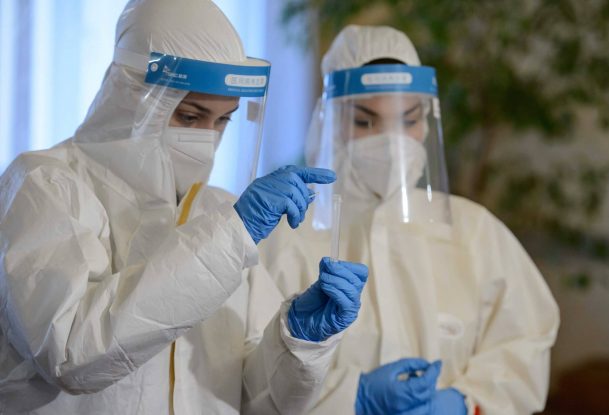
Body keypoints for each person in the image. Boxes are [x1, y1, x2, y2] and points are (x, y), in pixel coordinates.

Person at [0, 2, 369, 414]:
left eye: (223, 120)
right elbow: (69, 353)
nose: (207, 138)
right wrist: (232, 236)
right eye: (190, 116)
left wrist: (298, 342)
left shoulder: (220, 211)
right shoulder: (46, 185)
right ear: (131, 99)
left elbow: (257, 401)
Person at [259, 25, 560, 415]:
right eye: (365, 122)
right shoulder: (284, 237)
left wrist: (465, 402)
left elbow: (525, 341)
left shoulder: (474, 232)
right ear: (328, 122)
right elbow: (250, 377)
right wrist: (351, 398)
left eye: (408, 120)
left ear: (426, 122)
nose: (392, 142)